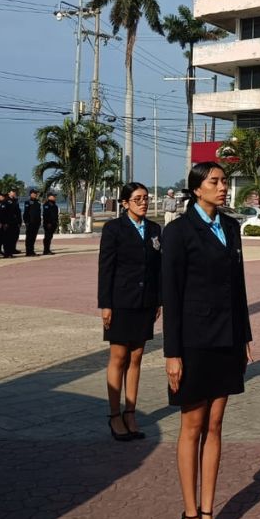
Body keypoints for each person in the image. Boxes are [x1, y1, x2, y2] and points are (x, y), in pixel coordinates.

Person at [162, 162, 252, 519]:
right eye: (214, 182)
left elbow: (239, 286)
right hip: (194, 342)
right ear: (196, 189)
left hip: (228, 340)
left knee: (215, 424)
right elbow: (172, 294)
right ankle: (189, 511)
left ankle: (208, 510)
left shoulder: (230, 227)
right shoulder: (179, 232)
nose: (222, 187)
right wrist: (172, 353)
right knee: (192, 425)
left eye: (224, 181)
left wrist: (244, 334)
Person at [98, 183, 163, 442]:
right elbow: (106, 268)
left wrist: (159, 300)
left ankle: (131, 412)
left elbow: (158, 269)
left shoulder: (155, 229)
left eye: (146, 198)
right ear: (124, 203)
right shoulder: (114, 229)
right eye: (137, 199)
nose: (143, 203)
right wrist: (105, 304)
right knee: (119, 356)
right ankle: (115, 415)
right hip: (120, 301)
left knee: (137, 357)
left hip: (145, 303)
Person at [4, 190, 23, 257]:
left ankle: (12, 250)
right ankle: (7, 253)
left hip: (15, 222)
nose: (14, 193)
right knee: (8, 238)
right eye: (12, 192)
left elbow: (18, 212)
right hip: (9, 222)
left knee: (14, 237)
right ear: (9, 192)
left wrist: (19, 221)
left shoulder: (15, 201)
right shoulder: (6, 200)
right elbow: (4, 213)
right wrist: (5, 222)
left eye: (15, 192)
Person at [24, 189, 43, 256]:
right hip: (30, 222)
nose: (35, 194)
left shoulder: (37, 202)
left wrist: (39, 221)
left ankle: (32, 251)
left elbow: (39, 212)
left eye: (36, 193)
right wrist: (26, 222)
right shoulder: (28, 202)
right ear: (31, 194)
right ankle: (28, 251)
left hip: (36, 222)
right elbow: (26, 213)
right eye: (34, 193)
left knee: (33, 237)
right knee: (29, 237)